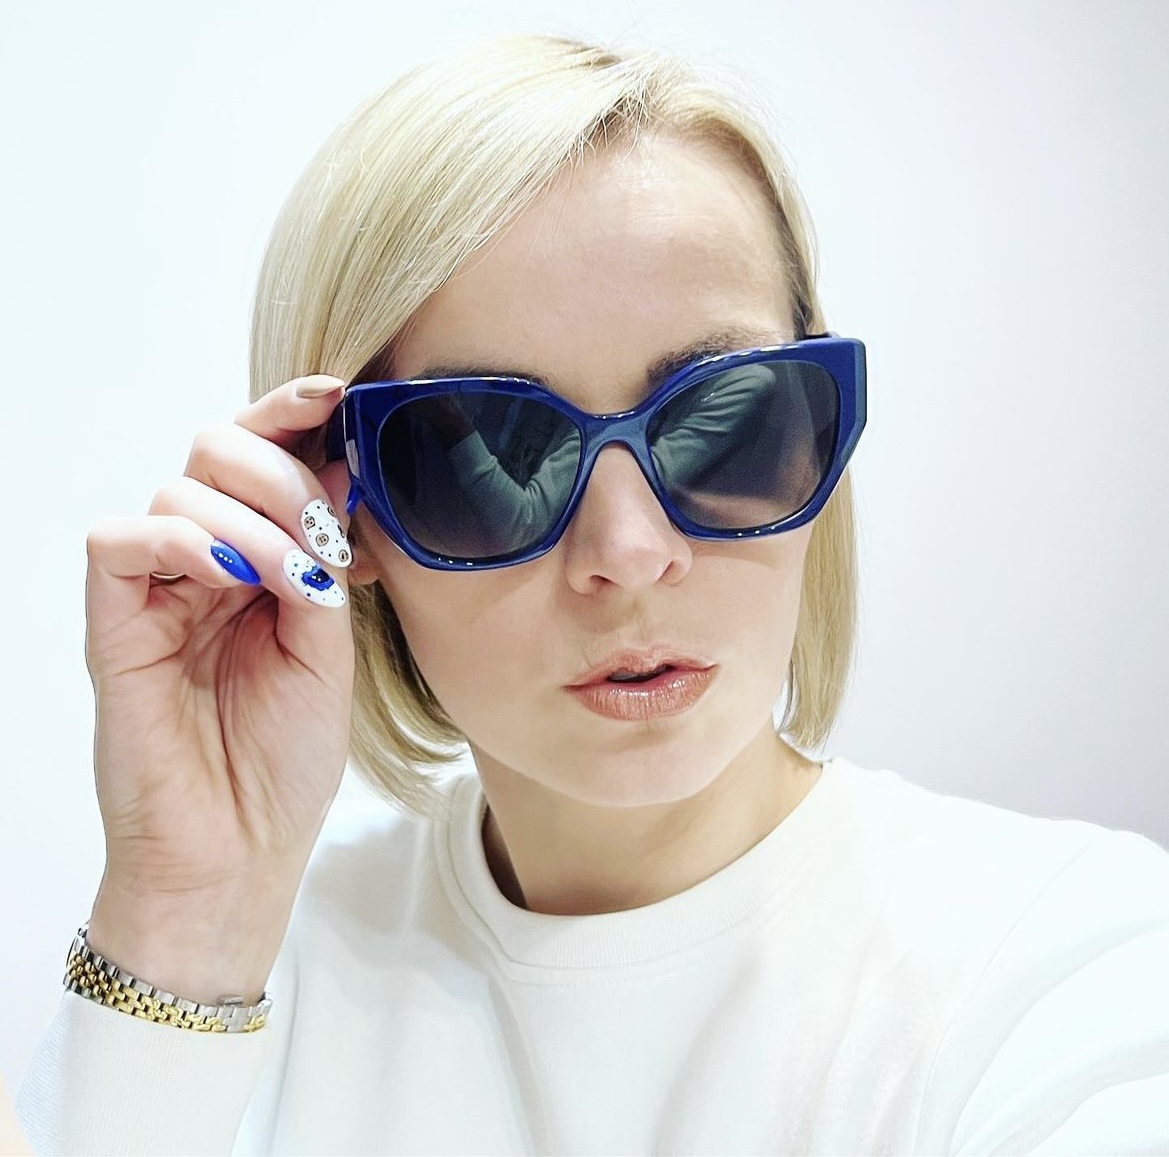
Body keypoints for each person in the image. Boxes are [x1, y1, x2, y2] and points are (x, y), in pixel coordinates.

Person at [16, 33, 1169, 1155]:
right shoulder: (239, 979)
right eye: (484, 451)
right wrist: (184, 916)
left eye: (723, 422)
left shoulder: (1068, 966)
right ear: (336, 504)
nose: (628, 551)